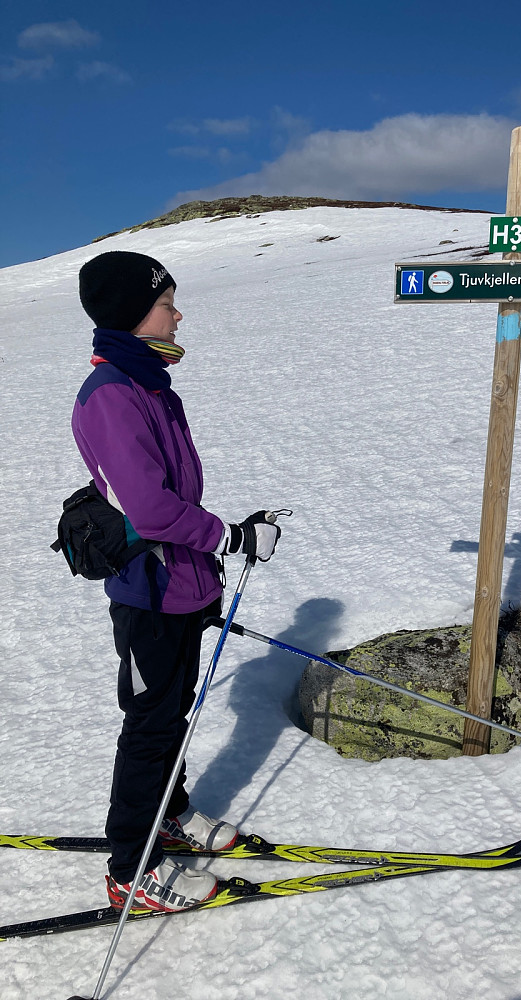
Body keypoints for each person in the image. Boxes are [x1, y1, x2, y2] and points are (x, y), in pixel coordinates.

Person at [72, 250, 281, 913]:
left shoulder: (150, 384)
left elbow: (173, 494)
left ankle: (170, 811)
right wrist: (231, 537)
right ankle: (132, 869)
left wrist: (214, 554)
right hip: (148, 591)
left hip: (182, 583)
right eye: (166, 303)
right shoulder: (111, 396)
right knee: (150, 725)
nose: (177, 311)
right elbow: (151, 509)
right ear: (136, 315)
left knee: (172, 712)